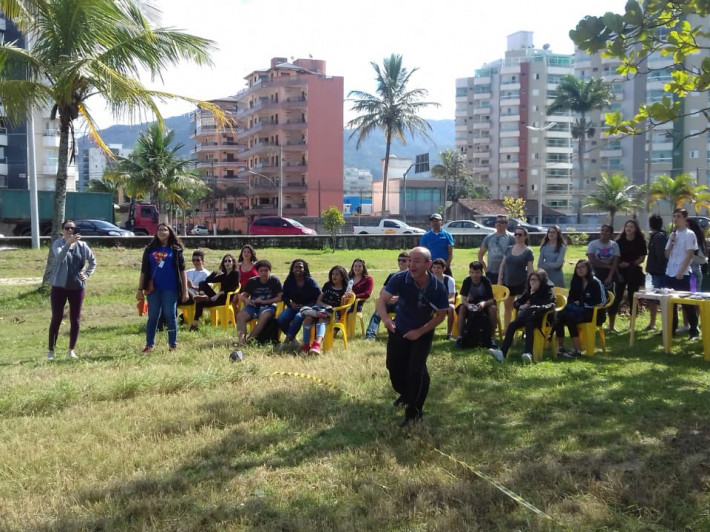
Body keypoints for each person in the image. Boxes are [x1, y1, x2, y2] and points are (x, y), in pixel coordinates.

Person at [377, 247, 449, 426]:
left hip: (422, 331)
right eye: (410, 260)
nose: (411, 264)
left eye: (416, 261)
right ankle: (407, 394)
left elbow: (441, 315)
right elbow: (381, 300)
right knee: (393, 368)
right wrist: (386, 319)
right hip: (399, 329)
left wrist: (419, 332)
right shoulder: (400, 278)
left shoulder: (436, 287)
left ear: (428, 264)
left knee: (416, 372)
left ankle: (413, 412)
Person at [47, 219, 97, 360]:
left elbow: (93, 261)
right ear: (62, 230)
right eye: (67, 228)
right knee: (57, 317)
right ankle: (51, 350)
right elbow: (60, 258)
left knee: (75, 319)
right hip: (59, 286)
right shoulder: (58, 244)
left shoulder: (82, 246)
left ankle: (71, 350)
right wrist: (68, 243)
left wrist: (86, 274)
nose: (70, 230)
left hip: (77, 287)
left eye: (72, 228)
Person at [136, 223, 188, 353]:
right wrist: (140, 289)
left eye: (165, 229)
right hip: (153, 289)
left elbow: (183, 271)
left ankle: (173, 345)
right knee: (153, 316)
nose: (162, 232)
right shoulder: (149, 249)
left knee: (170, 315)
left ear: (170, 232)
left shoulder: (175, 250)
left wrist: (185, 291)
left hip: (170, 289)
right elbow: (143, 270)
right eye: (159, 229)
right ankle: (149, 345)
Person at [489, 269, 555, 364]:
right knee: (512, 325)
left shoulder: (548, 291)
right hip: (526, 316)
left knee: (529, 324)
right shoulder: (529, 290)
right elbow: (517, 302)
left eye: (535, 280)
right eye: (531, 279)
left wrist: (533, 298)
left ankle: (528, 353)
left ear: (542, 281)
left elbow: (548, 305)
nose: (532, 282)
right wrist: (521, 306)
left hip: (541, 318)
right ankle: (502, 352)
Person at [554, 259, 607, 358]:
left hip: (593, 314)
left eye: (583, 267)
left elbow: (602, 301)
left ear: (588, 269)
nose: (580, 270)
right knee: (559, 317)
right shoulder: (576, 281)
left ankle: (577, 350)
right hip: (578, 311)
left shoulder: (595, 282)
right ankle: (560, 347)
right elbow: (571, 299)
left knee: (569, 318)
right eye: (578, 268)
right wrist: (575, 303)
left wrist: (584, 304)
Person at [607, 220, 647, 332]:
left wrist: (630, 264)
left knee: (632, 297)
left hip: (633, 271)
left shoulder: (640, 241)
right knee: (617, 297)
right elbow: (614, 257)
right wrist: (620, 265)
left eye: (631, 227)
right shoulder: (619, 242)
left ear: (636, 229)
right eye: (627, 226)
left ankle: (632, 325)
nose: (628, 229)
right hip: (620, 271)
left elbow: (642, 258)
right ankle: (611, 325)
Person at [665, 208, 699, 339]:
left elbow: (690, 254)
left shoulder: (689, 234)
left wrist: (680, 271)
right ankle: (671, 329)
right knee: (670, 303)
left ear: (684, 218)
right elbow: (666, 254)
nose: (675, 219)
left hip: (683, 274)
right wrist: (671, 243)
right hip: (670, 272)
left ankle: (694, 331)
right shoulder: (673, 234)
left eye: (678, 216)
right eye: (674, 216)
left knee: (687, 304)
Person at [301, 265, 350, 355]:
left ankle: (317, 344)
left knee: (322, 319)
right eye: (333, 274)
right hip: (320, 308)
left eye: (337, 274)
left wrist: (344, 299)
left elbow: (343, 308)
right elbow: (319, 301)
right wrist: (326, 305)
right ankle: (306, 345)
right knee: (307, 318)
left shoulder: (345, 290)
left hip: (333, 312)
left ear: (342, 277)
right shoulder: (327, 285)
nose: (334, 276)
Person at [277, 259, 321, 352]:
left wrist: (310, 307)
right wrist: (290, 303)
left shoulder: (310, 281)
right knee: (281, 318)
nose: (298, 269)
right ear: (292, 269)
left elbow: (319, 295)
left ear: (304, 269)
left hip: (308, 307)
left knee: (298, 317)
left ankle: (286, 341)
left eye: (300, 267)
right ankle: (293, 339)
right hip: (294, 306)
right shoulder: (289, 281)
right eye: (295, 267)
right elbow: (284, 296)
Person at [364, 251, 409, 340]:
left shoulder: (411, 276)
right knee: (377, 313)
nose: (401, 262)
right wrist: (387, 298)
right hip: (388, 301)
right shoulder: (392, 276)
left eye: (404, 261)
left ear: (409, 262)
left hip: (402, 303)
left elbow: (412, 294)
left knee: (400, 314)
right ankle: (370, 336)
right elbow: (382, 291)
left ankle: (396, 334)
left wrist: (398, 298)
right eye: (399, 260)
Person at [236, 259, 283, 345]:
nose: (264, 273)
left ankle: (250, 340)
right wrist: (246, 300)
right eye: (261, 270)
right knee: (240, 316)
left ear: (270, 271)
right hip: (253, 305)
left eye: (266, 270)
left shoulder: (274, 280)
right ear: (257, 272)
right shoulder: (252, 281)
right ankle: (241, 341)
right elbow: (243, 295)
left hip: (269, 306)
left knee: (265, 315)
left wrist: (264, 301)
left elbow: (280, 297)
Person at [189, 253, 240, 331]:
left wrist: (220, 293)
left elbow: (234, 287)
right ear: (223, 263)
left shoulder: (235, 273)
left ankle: (203, 298)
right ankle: (195, 323)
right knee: (201, 288)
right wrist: (215, 272)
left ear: (233, 262)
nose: (227, 263)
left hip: (225, 300)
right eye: (225, 261)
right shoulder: (224, 275)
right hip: (217, 299)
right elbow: (207, 280)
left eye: (229, 261)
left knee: (200, 300)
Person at [455, 261, 497, 349]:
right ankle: (460, 337)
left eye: (477, 272)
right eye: (472, 272)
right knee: (462, 308)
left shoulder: (485, 281)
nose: (475, 275)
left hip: (485, 303)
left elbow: (491, 300)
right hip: (471, 303)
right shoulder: (467, 281)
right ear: (469, 272)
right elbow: (463, 300)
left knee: (493, 309)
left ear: (481, 272)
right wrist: (468, 306)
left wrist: (484, 303)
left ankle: (491, 338)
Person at [499, 226, 534, 328]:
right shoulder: (509, 249)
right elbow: (503, 264)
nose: (517, 236)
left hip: (521, 283)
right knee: (507, 307)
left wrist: (530, 283)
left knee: (520, 308)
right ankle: (507, 329)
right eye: (516, 234)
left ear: (525, 237)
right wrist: (499, 279)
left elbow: (530, 268)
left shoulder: (528, 251)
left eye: (520, 234)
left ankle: (519, 330)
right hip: (507, 282)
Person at [645, 214, 668, 330]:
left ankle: (665, 324)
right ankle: (652, 323)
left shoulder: (659, 237)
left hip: (658, 273)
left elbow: (661, 256)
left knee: (660, 299)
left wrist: (659, 269)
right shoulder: (655, 236)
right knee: (651, 299)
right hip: (653, 272)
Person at [478, 214, 514, 284]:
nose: (498, 224)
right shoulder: (489, 237)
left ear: (506, 224)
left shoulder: (511, 238)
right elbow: (480, 254)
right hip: (491, 272)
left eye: (501, 222)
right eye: (497, 222)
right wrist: (486, 269)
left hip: (506, 273)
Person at [586, 224, 620, 290]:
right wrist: (607, 266)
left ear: (611, 234)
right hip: (595, 270)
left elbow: (615, 262)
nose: (604, 232)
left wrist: (610, 276)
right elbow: (592, 261)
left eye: (607, 231)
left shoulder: (614, 245)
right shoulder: (592, 244)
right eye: (602, 230)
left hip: (610, 271)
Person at [430, 258, 457, 339]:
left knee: (451, 308)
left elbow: (452, 298)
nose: (436, 270)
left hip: (445, 304)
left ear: (444, 268)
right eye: (434, 267)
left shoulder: (449, 280)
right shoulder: (428, 279)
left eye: (438, 268)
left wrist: (442, 302)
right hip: (431, 304)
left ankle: (449, 334)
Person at [232, 245, 258, 313]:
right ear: (242, 253)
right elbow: (235, 280)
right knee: (234, 299)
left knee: (243, 297)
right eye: (244, 252)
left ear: (251, 254)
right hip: (241, 288)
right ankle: (237, 317)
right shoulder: (238, 266)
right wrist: (236, 292)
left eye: (248, 252)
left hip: (253, 288)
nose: (246, 253)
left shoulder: (256, 265)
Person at [687, 217, 707, 292]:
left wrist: (690, 255)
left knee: (693, 295)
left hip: (693, 274)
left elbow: (702, 259)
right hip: (681, 272)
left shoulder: (697, 242)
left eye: (687, 226)